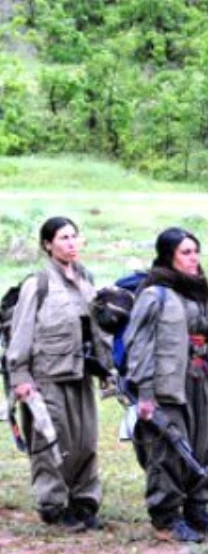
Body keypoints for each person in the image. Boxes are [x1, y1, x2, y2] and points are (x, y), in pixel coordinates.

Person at [125, 227, 208, 543]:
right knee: (169, 451)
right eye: (186, 252)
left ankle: (197, 510)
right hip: (165, 386)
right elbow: (140, 345)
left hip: (197, 381)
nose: (193, 258)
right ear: (168, 256)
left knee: (204, 447)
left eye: (196, 251)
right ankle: (166, 519)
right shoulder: (154, 294)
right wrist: (145, 393)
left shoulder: (199, 291)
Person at [5, 217, 108, 531]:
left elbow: (98, 330)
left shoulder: (86, 279)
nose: (71, 243)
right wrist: (20, 377)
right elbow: (22, 332)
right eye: (63, 238)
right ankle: (53, 506)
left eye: (75, 237)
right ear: (48, 244)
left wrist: (107, 368)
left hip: (81, 375)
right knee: (52, 443)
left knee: (86, 441)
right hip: (47, 378)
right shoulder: (38, 284)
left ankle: (84, 502)